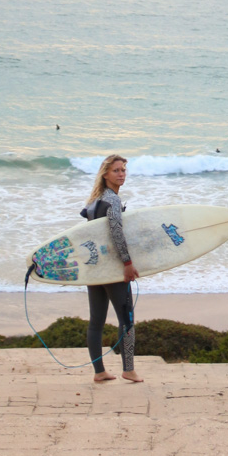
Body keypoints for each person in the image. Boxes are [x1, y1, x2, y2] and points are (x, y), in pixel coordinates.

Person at [81, 153, 142, 383]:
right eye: (116, 170)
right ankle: (129, 369)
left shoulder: (94, 201)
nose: (121, 174)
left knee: (96, 321)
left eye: (124, 170)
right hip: (113, 269)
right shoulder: (113, 201)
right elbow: (116, 232)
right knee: (126, 319)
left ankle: (99, 372)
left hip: (95, 269)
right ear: (105, 174)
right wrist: (127, 263)